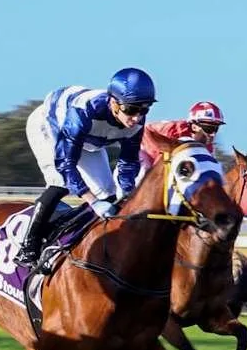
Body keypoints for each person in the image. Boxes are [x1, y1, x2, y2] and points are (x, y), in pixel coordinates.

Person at [19, 69, 157, 265]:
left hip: (89, 141)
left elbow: (127, 164)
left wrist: (127, 196)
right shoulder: (83, 111)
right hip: (50, 127)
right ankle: (28, 246)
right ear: (113, 102)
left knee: (108, 195)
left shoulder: (136, 122)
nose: (137, 117)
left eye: (144, 109)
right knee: (60, 183)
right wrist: (91, 201)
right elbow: (66, 164)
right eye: (131, 109)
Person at [141, 100, 226, 167]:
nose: (213, 134)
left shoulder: (208, 147)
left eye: (216, 129)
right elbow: (146, 130)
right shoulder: (174, 130)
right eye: (209, 129)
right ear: (194, 126)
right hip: (142, 149)